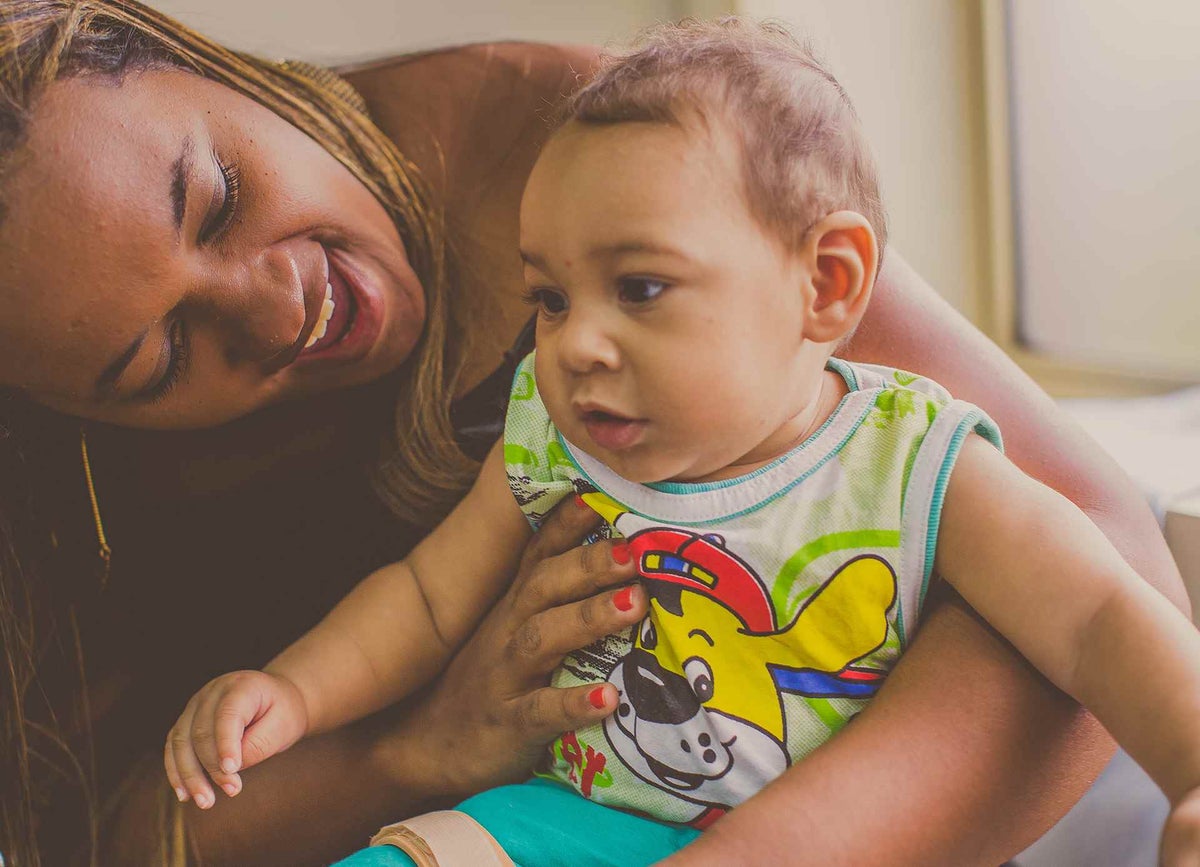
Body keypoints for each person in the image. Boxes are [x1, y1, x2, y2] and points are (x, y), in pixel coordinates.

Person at [0, 2, 1184, 866]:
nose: (273, 309)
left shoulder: (616, 167)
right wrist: (389, 739)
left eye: (218, 196)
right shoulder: (548, 436)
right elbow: (406, 613)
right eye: (156, 361)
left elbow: (1097, 588)